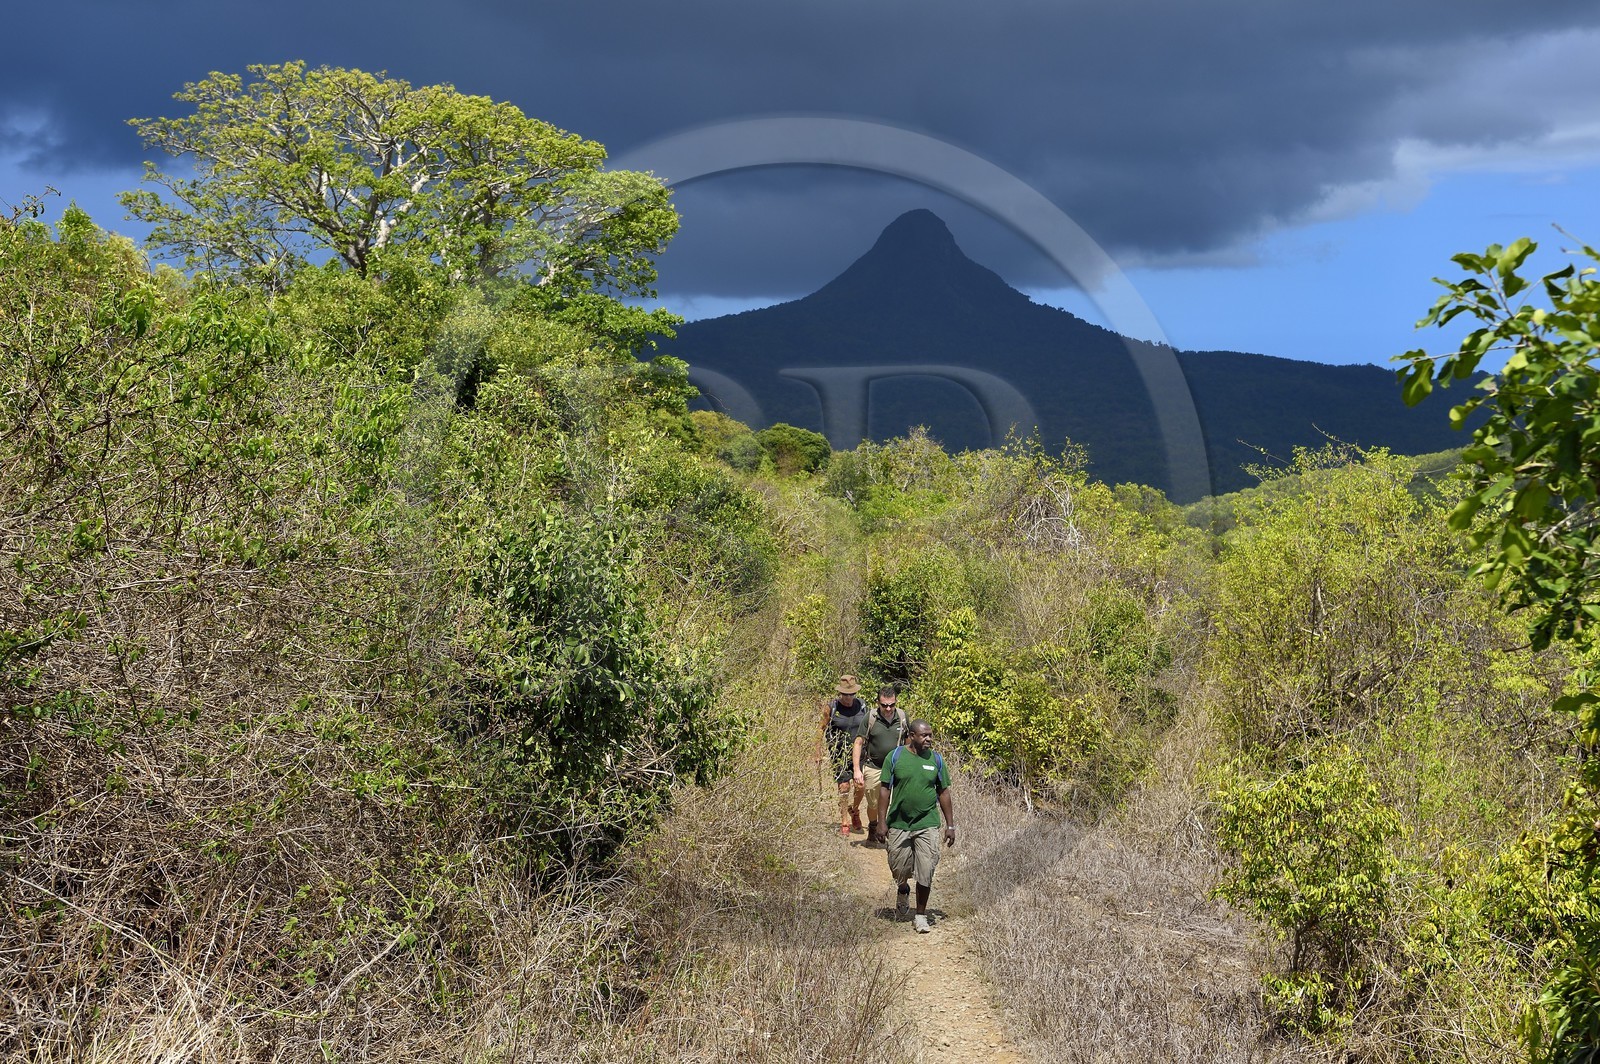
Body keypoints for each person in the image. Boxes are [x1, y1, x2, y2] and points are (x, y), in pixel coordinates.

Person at [875, 719, 955, 933]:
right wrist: (881, 822)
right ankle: (903, 888)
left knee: (926, 869)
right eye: (924, 735)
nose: (929, 739)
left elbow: (943, 792)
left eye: (930, 735)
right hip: (899, 822)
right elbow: (884, 790)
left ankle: (920, 915)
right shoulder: (896, 757)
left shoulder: (936, 760)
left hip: (927, 822)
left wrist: (951, 825)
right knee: (899, 867)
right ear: (911, 735)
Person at [852, 684, 907, 848]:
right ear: (878, 702)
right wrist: (856, 770)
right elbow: (858, 742)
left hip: (896, 768)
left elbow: (909, 740)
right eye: (884, 705)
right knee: (873, 803)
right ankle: (873, 826)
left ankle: (890, 831)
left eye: (892, 704)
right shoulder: (871, 717)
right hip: (874, 766)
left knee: (895, 802)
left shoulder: (902, 717)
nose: (888, 708)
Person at [815, 674, 869, 837]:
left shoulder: (862, 706)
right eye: (845, 694)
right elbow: (821, 729)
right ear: (840, 693)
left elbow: (868, 727)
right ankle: (844, 820)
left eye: (851, 694)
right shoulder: (832, 707)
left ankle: (855, 810)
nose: (848, 697)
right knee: (844, 787)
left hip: (860, 753)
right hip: (840, 753)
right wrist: (817, 752)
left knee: (860, 785)